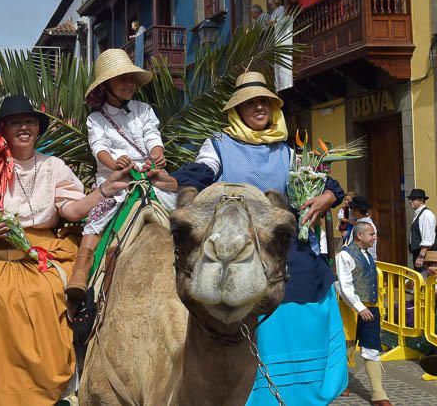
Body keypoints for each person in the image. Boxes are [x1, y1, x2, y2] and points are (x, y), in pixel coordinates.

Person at [148, 71, 348, 405]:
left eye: (264, 102)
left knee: (311, 275)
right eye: (250, 103)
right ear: (237, 110)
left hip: (277, 244)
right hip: (236, 242)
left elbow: (321, 183)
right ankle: (252, 389)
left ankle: (305, 390)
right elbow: (203, 172)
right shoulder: (219, 145)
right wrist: (175, 180)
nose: (258, 107)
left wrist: (328, 195)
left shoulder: (287, 151)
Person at [0, 94, 130, 405]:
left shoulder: (53, 166)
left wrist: (105, 190)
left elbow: (71, 211)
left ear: (38, 129)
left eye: (29, 121)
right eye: (15, 122)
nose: (24, 128)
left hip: (41, 251)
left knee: (46, 294)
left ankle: (45, 390)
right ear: (2, 130)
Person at [69, 48, 177, 300]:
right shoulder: (96, 118)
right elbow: (99, 148)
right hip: (116, 180)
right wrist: (115, 163)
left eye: (131, 78)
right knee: (97, 218)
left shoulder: (143, 110)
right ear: (106, 84)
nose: (129, 84)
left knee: (184, 212)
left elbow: (152, 136)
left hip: (149, 176)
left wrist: (157, 155)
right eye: (121, 79)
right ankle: (81, 270)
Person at [337, 222, 392, 406]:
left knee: (372, 348)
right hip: (350, 309)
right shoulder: (345, 254)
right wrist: (360, 307)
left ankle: (378, 394)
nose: (374, 237)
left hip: (372, 308)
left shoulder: (368, 255)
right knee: (346, 348)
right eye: (371, 234)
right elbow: (345, 286)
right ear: (359, 235)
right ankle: (339, 384)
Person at [408, 188, 437, 270]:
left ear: (421, 200)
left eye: (413, 199)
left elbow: (427, 239)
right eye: (409, 199)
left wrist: (421, 256)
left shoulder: (426, 215)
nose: (410, 201)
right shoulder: (419, 214)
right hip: (420, 255)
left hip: (426, 257)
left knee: (423, 280)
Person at [345, 195, 378, 260]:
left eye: (351, 208)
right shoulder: (359, 223)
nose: (350, 211)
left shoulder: (367, 226)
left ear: (356, 210)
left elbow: (369, 249)